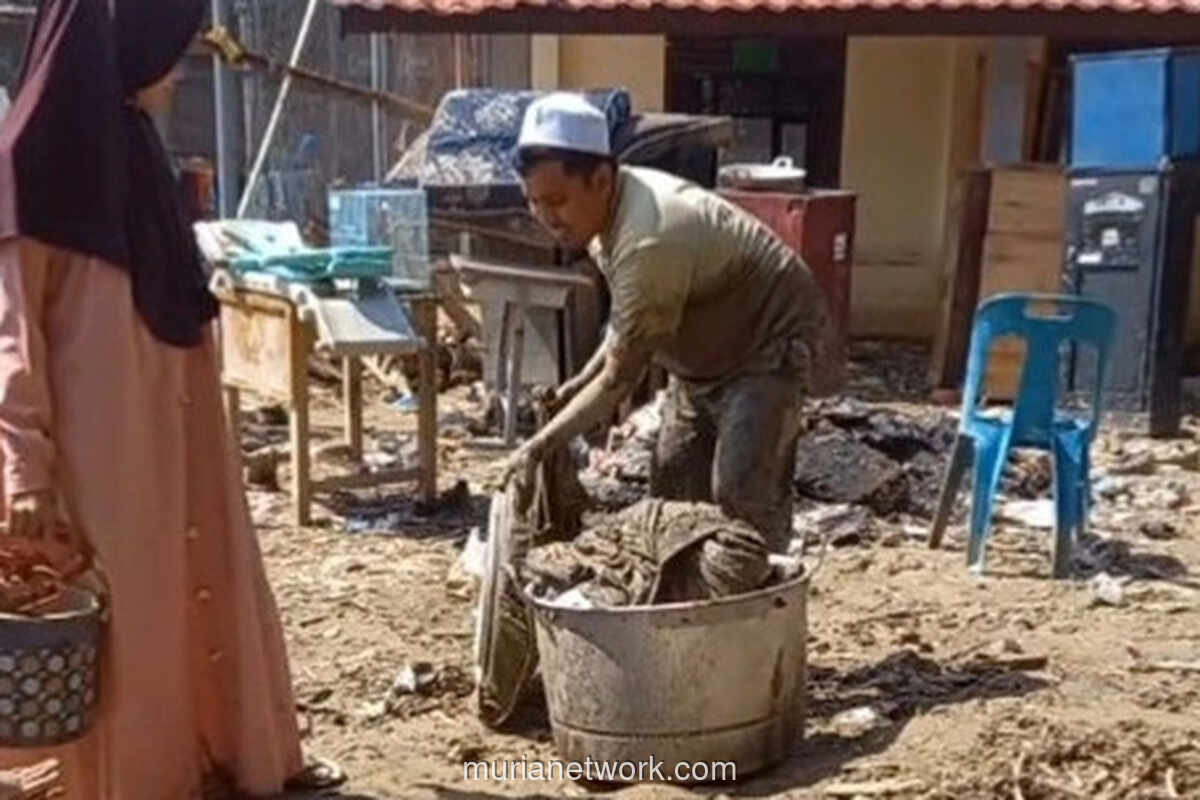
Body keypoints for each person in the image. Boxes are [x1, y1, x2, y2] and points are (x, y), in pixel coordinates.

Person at [0, 0, 340, 796]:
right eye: (168, 51)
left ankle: (225, 755)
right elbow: (9, 332)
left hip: (178, 429)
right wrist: (23, 469)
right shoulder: (31, 168)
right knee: (131, 621)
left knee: (201, 589)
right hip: (100, 449)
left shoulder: (135, 152)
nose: (178, 71)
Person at [503, 93, 840, 553]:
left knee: (742, 496)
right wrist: (578, 380)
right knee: (673, 491)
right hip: (702, 360)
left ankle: (760, 609)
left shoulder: (649, 237)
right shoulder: (607, 221)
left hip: (768, 343)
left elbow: (620, 380)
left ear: (601, 179)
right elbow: (626, 326)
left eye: (557, 201)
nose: (546, 219)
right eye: (534, 203)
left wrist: (538, 446)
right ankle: (686, 607)